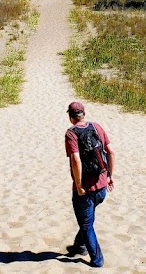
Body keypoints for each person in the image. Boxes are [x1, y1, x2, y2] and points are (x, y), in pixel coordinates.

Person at [64, 101, 115, 268]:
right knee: (87, 219)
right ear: (83, 114)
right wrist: (110, 176)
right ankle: (80, 245)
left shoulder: (71, 134)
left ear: (71, 117)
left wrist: (79, 186)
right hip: (102, 187)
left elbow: (76, 160)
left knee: (86, 224)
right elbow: (111, 151)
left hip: (85, 189)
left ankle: (97, 259)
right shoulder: (97, 127)